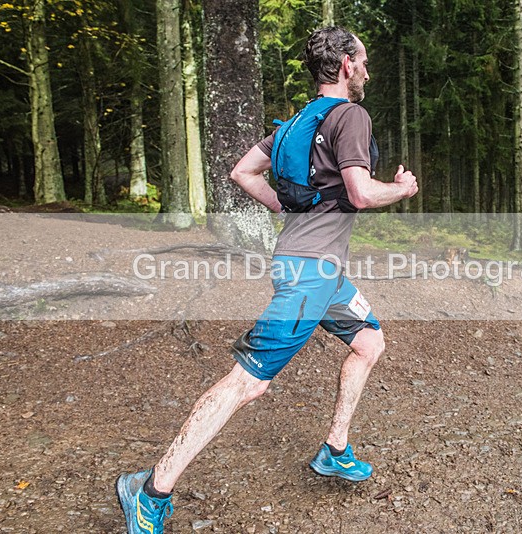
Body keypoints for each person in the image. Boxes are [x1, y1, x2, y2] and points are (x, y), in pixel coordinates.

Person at [116, 26, 418, 533]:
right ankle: (149, 490)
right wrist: (402, 189)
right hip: (309, 278)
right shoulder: (351, 115)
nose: (367, 70)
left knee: (368, 341)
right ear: (346, 64)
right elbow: (361, 193)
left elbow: (241, 173)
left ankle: (334, 450)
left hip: (315, 270)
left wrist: (288, 206)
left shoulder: (297, 123)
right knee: (246, 384)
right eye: (363, 61)